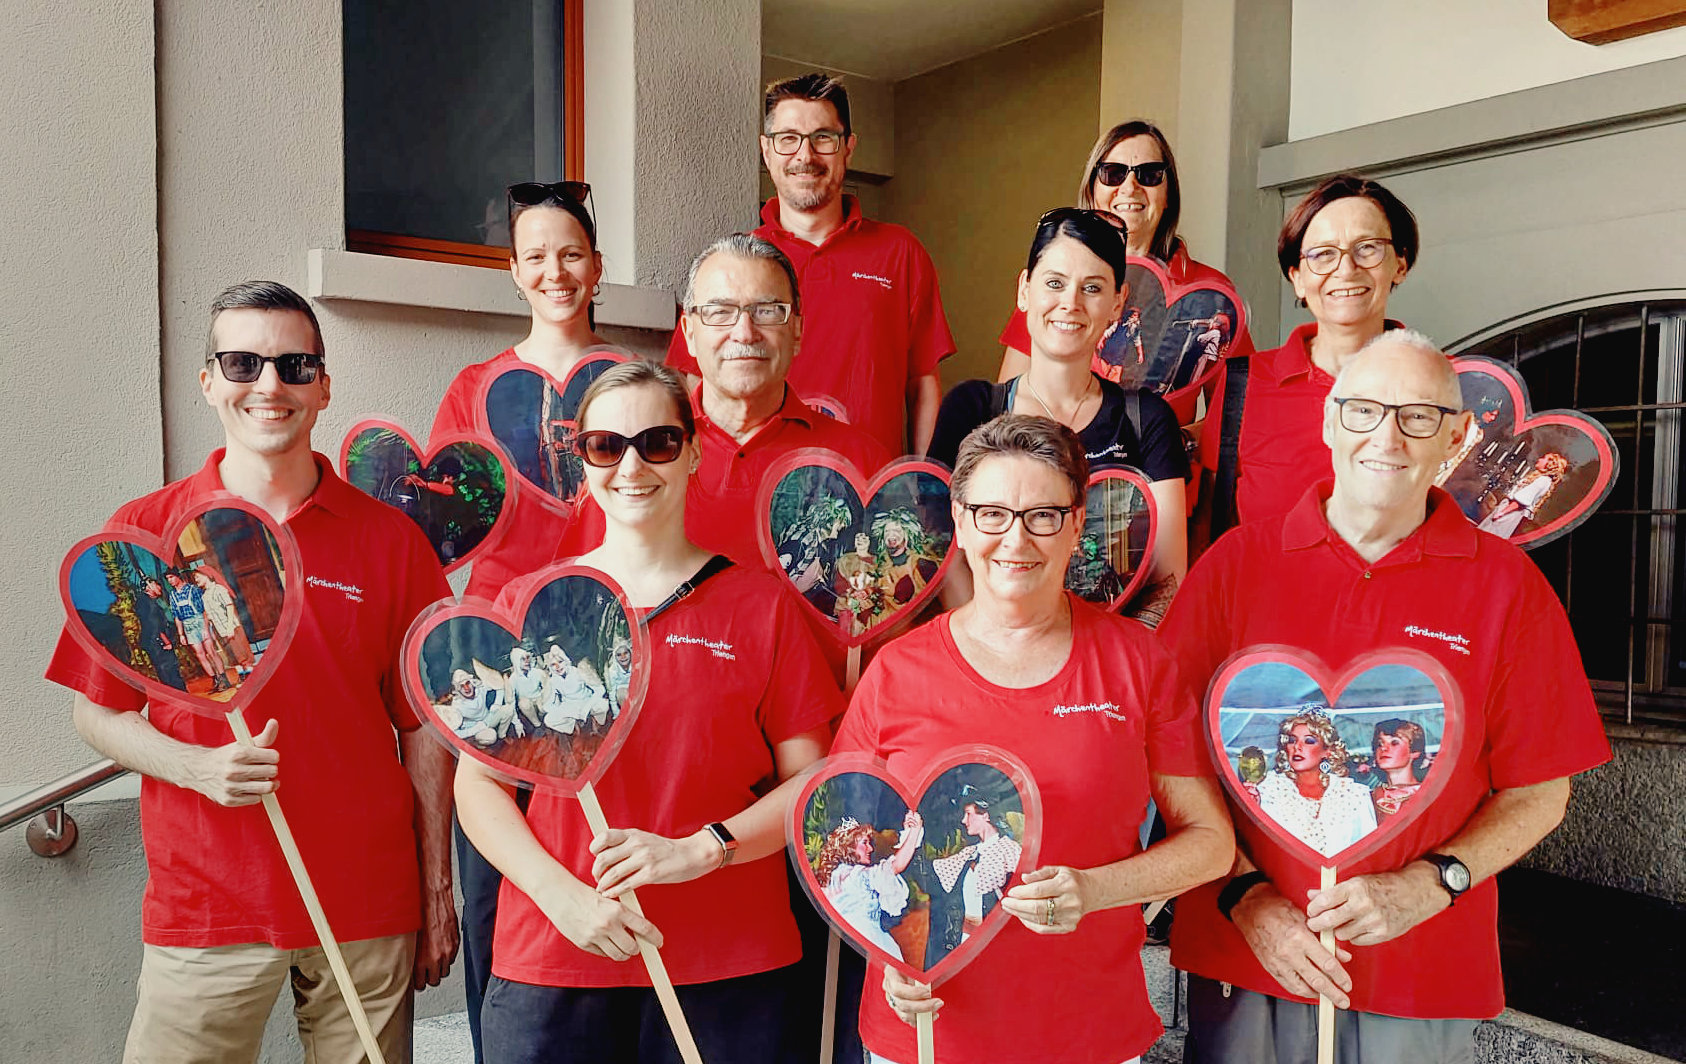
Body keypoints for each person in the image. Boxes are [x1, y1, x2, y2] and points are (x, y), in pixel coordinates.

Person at [1160, 332, 1612, 1063]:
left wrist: (1435, 882)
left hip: (1417, 969)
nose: (1387, 436)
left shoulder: (1506, 588)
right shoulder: (1237, 564)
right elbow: (1169, 755)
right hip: (1249, 956)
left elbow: (1541, 792)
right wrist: (1244, 895)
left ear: (1458, 437)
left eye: (1418, 415)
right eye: (1365, 410)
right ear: (1330, 421)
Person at [45, 281, 457, 1063]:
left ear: (324, 386)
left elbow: (424, 729)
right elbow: (95, 713)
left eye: (296, 365)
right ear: (208, 382)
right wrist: (197, 766)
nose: (270, 385)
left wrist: (436, 886)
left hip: (363, 906)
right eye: (243, 362)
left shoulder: (391, 542)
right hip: (206, 907)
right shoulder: (144, 533)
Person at [455, 360, 843, 1064]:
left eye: (658, 442)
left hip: (727, 963)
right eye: (607, 445)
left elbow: (809, 784)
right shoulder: (531, 604)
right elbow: (478, 785)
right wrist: (560, 896)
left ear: (693, 452)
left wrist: (704, 849)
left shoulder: (760, 606)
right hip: (557, 951)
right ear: (582, 460)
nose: (632, 465)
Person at [834, 414, 1233, 1064]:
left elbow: (1211, 845)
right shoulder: (897, 672)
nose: (1015, 538)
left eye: (1042, 515)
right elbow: (845, 849)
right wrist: (884, 950)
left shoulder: (1138, 663)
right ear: (959, 523)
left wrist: (1095, 890)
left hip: (1085, 1033)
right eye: (992, 514)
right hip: (928, 1035)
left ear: (1077, 525)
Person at [429, 179, 630, 1060]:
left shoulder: (628, 384)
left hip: (603, 653)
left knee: (604, 854)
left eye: (572, 253)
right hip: (496, 662)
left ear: (598, 265)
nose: (557, 271)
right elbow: (436, 520)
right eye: (537, 256)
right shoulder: (474, 386)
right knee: (496, 874)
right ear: (513, 272)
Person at [557, 233, 890, 571]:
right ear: (688, 333)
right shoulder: (634, 460)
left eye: (767, 311)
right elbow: (582, 598)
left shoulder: (861, 462)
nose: (745, 332)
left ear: (797, 331)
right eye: (719, 312)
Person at [665, 73, 956, 456]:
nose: (805, 156)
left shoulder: (900, 253)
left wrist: (920, 487)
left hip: (868, 491)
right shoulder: (735, 263)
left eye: (823, 137)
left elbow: (922, 387)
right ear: (766, 151)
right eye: (788, 139)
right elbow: (692, 382)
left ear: (848, 148)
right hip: (754, 486)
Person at [930, 208, 1189, 622]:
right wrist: (1001, 647)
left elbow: (1167, 578)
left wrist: (1111, 660)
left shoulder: (1147, 421)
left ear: (1118, 302)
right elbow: (940, 552)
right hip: (987, 655)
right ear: (1024, 290)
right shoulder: (972, 409)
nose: (1070, 303)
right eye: (1054, 283)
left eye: (1092, 287)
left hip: (1108, 666)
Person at [1200, 173, 1422, 538]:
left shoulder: (1441, 388)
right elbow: (1209, 533)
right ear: (1298, 278)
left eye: (1367, 248)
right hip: (1268, 594)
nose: (1346, 269)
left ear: (1400, 262)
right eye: (1323, 254)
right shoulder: (1244, 384)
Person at [996, 119, 1255, 422]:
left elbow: (1238, 417)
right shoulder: (1053, 284)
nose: (1129, 188)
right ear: (1092, 190)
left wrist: (1169, 443)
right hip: (1058, 461)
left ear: (1168, 193)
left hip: (1162, 469)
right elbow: (1007, 407)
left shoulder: (1208, 291)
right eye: (1113, 174)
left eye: (1149, 174)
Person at [1253, 707, 1377, 858]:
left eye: (1309, 741)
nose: (1297, 747)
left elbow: (1369, 853)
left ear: (1328, 751)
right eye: (1292, 740)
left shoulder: (1354, 794)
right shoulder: (1267, 789)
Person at [926, 791, 1023, 964]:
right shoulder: (970, 853)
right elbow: (935, 872)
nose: (964, 821)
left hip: (997, 945)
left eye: (969, 814)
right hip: (963, 941)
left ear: (985, 816)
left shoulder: (1009, 850)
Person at [817, 814, 924, 962]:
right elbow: (896, 866)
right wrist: (915, 831)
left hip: (844, 948)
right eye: (864, 843)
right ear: (849, 846)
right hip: (871, 942)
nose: (870, 848)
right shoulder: (858, 876)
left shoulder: (832, 879)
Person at [163, 569, 228, 692]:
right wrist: (181, 634)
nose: (170, 581)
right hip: (188, 626)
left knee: (211, 651)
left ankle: (224, 679)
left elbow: (204, 611)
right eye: (168, 579)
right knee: (200, 654)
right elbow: (177, 616)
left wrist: (205, 628)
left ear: (178, 576)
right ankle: (215, 679)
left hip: (200, 621)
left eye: (171, 577)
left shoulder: (193, 589)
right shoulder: (173, 595)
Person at [1476, 452, 1569, 538]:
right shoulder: (1545, 481)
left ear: (1549, 464)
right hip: (1511, 511)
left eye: (1544, 458)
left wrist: (1502, 513)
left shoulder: (1543, 480)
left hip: (1510, 512)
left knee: (1489, 533)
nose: (1540, 459)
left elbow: (1521, 501)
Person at [193, 568, 254, 680]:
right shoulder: (204, 596)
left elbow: (229, 606)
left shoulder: (219, 589)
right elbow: (209, 616)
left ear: (206, 575)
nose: (195, 579)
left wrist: (230, 627)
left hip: (231, 628)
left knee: (242, 655)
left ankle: (252, 678)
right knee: (233, 657)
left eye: (197, 576)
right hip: (220, 631)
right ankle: (243, 678)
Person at [1369, 718, 1430, 820]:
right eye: (1380, 744)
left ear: (1414, 752)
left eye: (1394, 743)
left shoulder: (1428, 796)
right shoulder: (1368, 797)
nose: (1383, 748)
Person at [135, 576, 186, 690]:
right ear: (148, 587)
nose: (159, 587)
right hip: (157, 643)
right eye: (156, 584)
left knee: (170, 671)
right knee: (169, 671)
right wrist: (165, 640)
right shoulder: (147, 604)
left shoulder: (149, 602)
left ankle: (179, 695)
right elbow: (153, 624)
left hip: (157, 642)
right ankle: (180, 696)